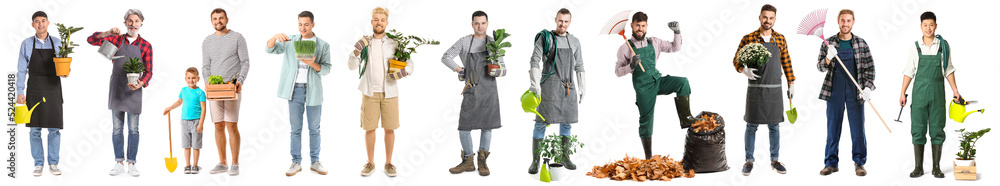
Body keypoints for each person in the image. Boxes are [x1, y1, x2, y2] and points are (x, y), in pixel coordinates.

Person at [613, 11, 694, 160]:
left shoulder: (654, 42)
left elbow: (675, 48)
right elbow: (617, 71)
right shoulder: (625, 48)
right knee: (646, 120)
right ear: (632, 26)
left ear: (646, 26)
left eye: (643, 26)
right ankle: (648, 158)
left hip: (658, 81)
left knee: (683, 82)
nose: (640, 29)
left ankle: (686, 118)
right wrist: (631, 65)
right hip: (643, 89)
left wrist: (677, 32)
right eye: (637, 25)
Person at [87, 9, 154, 177]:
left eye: (136, 21)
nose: (133, 24)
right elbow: (91, 40)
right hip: (117, 86)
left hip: (134, 89)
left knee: (133, 129)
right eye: (130, 21)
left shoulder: (146, 45)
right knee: (117, 129)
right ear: (125, 23)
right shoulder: (116, 39)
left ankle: (132, 163)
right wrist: (107, 32)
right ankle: (118, 162)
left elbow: (149, 71)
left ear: (141, 24)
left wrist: (141, 83)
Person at [348, 7, 413, 177]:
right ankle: (370, 163)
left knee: (390, 129)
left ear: (387, 23)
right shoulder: (365, 42)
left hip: (390, 93)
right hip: (369, 92)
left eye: (382, 20)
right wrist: (356, 50)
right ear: (371, 22)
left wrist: (402, 72)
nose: (379, 23)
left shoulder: (394, 43)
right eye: (376, 19)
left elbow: (410, 65)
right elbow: (351, 66)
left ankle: (389, 163)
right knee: (369, 129)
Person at [266, 10, 332, 176]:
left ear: (313, 25)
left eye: (306, 24)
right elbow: (270, 50)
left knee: (314, 129)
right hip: (294, 90)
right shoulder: (290, 40)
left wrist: (312, 63)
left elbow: (326, 69)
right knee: (295, 129)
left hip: (313, 91)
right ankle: (296, 162)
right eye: (300, 24)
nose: (303, 27)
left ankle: (315, 161)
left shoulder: (323, 45)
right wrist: (274, 38)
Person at [441, 10, 507, 176]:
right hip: (471, 89)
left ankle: (482, 162)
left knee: (487, 127)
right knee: (464, 127)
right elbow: (446, 56)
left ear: (487, 24)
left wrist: (497, 72)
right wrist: (460, 70)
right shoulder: (464, 42)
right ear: (472, 24)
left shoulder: (494, 43)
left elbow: (504, 69)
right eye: (476, 23)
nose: (480, 26)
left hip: (489, 91)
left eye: (483, 23)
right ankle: (468, 161)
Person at [732, 4, 794, 176]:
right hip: (755, 90)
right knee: (751, 125)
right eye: (765, 17)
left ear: (775, 19)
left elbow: (787, 62)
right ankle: (749, 161)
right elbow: (736, 60)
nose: (768, 21)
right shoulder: (748, 38)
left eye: (771, 18)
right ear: (759, 17)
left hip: (774, 90)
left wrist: (792, 83)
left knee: (774, 126)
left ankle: (775, 160)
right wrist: (742, 70)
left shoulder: (780, 39)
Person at [900, 11, 960, 178]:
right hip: (919, 93)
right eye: (925, 25)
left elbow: (948, 69)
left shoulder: (943, 46)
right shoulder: (915, 46)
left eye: (931, 25)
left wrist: (955, 90)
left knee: (937, 128)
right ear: (921, 26)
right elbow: (909, 71)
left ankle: (936, 167)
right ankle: (918, 167)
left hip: (938, 93)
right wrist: (902, 92)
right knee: (917, 128)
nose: (928, 28)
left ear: (936, 26)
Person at [815, 9, 876, 177]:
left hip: (855, 91)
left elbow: (871, 69)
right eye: (842, 20)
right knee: (832, 127)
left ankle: (859, 162)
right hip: (834, 89)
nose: (845, 24)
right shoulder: (828, 43)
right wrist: (828, 57)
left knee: (858, 128)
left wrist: (868, 87)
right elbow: (820, 67)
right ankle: (831, 163)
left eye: (848, 21)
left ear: (853, 22)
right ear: (838, 21)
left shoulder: (861, 44)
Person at [526, 8, 585, 174]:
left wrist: (582, 86)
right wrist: (534, 84)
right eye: (560, 21)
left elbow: (579, 65)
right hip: (549, 88)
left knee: (566, 123)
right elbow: (534, 60)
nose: (563, 24)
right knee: (541, 123)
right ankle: (535, 161)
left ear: (570, 22)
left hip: (568, 88)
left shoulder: (575, 41)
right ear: (555, 20)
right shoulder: (546, 38)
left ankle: (564, 157)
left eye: (566, 21)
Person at [16, 11, 66, 177]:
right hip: (34, 89)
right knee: (34, 129)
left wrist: (66, 72)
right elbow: (22, 70)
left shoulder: (58, 43)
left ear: (48, 23)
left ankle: (53, 163)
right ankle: (38, 163)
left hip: (53, 88)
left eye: (43, 21)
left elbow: (63, 66)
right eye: (37, 22)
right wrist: (20, 92)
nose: (40, 24)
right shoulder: (26, 44)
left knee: (54, 129)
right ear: (32, 25)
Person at [202, 8, 249, 176]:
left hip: (231, 87)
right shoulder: (207, 41)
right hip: (214, 90)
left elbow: (245, 62)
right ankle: (222, 162)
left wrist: (240, 81)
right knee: (218, 124)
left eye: (221, 18)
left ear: (227, 19)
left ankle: (235, 163)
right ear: (211, 21)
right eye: (215, 19)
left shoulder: (237, 38)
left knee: (231, 124)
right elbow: (205, 66)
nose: (218, 21)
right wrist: (207, 82)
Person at [162, 67, 207, 174]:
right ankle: (187, 165)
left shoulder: (200, 93)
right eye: (189, 78)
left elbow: (204, 109)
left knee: (196, 145)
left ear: (198, 78)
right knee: (186, 145)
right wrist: (170, 108)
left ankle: (195, 165)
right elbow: (179, 102)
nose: (191, 80)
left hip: (196, 122)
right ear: (185, 78)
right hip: (184, 122)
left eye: (193, 78)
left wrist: (201, 123)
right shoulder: (184, 90)